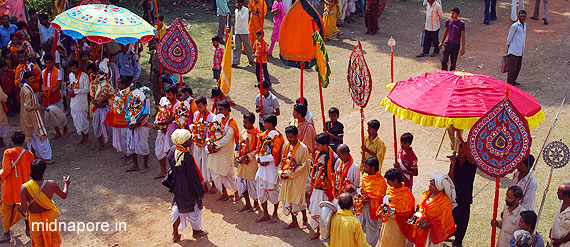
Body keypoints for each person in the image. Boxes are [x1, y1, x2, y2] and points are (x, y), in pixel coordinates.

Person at [168, 129, 208, 242]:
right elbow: (193, 177)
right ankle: (196, 231)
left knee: (178, 209)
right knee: (195, 210)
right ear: (184, 142)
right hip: (189, 189)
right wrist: (200, 192)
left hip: (178, 187)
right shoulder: (187, 157)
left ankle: (175, 233)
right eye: (190, 139)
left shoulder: (172, 150)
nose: (192, 140)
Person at [19, 159, 70, 247]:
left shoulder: (24, 188)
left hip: (35, 219)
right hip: (50, 217)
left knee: (38, 242)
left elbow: (23, 209)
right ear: (44, 171)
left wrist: (19, 206)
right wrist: (66, 184)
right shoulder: (51, 184)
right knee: (53, 240)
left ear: (31, 171)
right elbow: (64, 195)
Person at [406, 173, 457, 246]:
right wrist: (415, 215)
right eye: (430, 183)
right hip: (420, 230)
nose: (430, 186)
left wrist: (429, 225)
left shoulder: (444, 202)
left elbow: (444, 221)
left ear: (440, 187)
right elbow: (420, 207)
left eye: (433, 185)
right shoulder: (426, 194)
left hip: (433, 235)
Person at [0, 131, 33, 242]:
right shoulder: (29, 154)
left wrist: (0, 175)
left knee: (6, 210)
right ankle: (28, 229)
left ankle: (6, 233)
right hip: (24, 188)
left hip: (10, 188)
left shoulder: (8, 153)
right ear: (23, 141)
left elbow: (6, 170)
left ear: (12, 140)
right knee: (26, 209)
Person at [448, 130, 477, 247]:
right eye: (459, 153)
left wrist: (459, 136)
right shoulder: (455, 162)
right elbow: (450, 178)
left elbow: (470, 157)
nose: (460, 155)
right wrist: (453, 165)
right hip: (453, 196)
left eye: (462, 153)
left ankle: (458, 241)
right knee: (450, 219)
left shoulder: (472, 164)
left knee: (462, 223)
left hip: (464, 199)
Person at [278, 126, 310, 229]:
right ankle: (294, 220)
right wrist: (281, 172)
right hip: (287, 179)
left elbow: (303, 165)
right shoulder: (286, 146)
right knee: (289, 199)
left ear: (297, 136)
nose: (289, 139)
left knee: (299, 200)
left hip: (298, 179)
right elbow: (282, 161)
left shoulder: (303, 148)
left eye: (291, 137)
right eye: (287, 137)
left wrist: (289, 174)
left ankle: (305, 219)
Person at [207, 100, 239, 201]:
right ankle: (224, 192)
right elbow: (210, 133)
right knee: (217, 173)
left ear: (227, 110)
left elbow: (227, 139)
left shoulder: (231, 123)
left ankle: (237, 192)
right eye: (218, 110)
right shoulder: (216, 120)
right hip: (216, 152)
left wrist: (215, 145)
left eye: (221, 110)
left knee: (228, 173)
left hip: (225, 152)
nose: (219, 111)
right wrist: (210, 143)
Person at [254, 115, 284, 223]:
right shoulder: (262, 136)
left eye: (265, 123)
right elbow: (257, 151)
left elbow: (276, 154)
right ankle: (265, 214)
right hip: (261, 169)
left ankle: (275, 212)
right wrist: (259, 159)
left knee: (273, 192)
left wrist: (264, 160)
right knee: (261, 191)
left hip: (271, 168)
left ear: (270, 124)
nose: (263, 125)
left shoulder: (278, 137)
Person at [308, 133, 338, 240]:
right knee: (316, 209)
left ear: (325, 145)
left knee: (327, 213)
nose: (316, 147)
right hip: (317, 188)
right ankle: (318, 231)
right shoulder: (317, 154)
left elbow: (335, 176)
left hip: (327, 191)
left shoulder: (334, 158)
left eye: (318, 145)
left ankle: (328, 233)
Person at [20, 71, 53, 164]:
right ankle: (46, 158)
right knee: (41, 137)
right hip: (32, 118)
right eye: (31, 79)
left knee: (32, 138)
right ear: (26, 80)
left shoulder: (25, 88)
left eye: (33, 78)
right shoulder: (27, 90)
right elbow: (28, 106)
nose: (33, 80)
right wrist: (37, 106)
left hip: (27, 118)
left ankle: (34, 156)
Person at [378, 168, 415, 247]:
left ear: (395, 180)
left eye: (389, 181)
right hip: (387, 225)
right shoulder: (389, 189)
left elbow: (408, 213)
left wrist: (394, 214)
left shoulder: (406, 195)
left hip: (398, 227)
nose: (387, 183)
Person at [355, 157, 386, 246]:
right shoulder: (365, 176)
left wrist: (368, 199)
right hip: (362, 206)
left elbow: (380, 197)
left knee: (372, 229)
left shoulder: (381, 181)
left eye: (366, 167)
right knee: (358, 225)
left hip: (373, 209)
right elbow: (363, 190)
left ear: (372, 168)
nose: (364, 169)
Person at [236, 112, 261, 212]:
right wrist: (238, 156)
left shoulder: (258, 134)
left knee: (252, 184)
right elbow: (238, 145)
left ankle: (256, 203)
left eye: (246, 122)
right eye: (243, 122)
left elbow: (258, 149)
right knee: (243, 183)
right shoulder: (243, 132)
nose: (244, 124)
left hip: (251, 164)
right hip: (242, 163)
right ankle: (247, 203)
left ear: (252, 122)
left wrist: (248, 156)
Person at [154, 85, 180, 179]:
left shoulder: (178, 105)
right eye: (166, 94)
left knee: (171, 153)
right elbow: (159, 113)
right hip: (161, 130)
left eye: (169, 95)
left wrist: (158, 123)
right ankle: (163, 171)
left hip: (171, 132)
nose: (167, 96)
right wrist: (155, 122)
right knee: (159, 151)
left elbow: (171, 119)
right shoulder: (163, 100)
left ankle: (173, 173)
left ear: (175, 94)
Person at [124, 83, 151, 173]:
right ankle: (135, 165)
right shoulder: (130, 99)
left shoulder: (145, 100)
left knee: (143, 145)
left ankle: (145, 165)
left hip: (141, 126)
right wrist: (130, 122)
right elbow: (127, 111)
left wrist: (136, 123)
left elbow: (146, 114)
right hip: (131, 126)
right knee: (130, 144)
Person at [104, 77, 131, 165]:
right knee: (121, 138)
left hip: (124, 121)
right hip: (118, 120)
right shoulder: (120, 93)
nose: (117, 85)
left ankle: (129, 156)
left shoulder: (128, 95)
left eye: (119, 84)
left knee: (125, 139)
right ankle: (126, 153)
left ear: (124, 85)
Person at [40, 54, 68, 139]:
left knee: (60, 113)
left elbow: (58, 86)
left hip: (56, 96)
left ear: (52, 62)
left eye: (49, 62)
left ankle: (65, 129)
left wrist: (49, 93)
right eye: (46, 63)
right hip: (47, 98)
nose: (48, 64)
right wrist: (44, 92)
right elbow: (43, 84)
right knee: (51, 115)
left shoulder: (58, 72)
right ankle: (58, 132)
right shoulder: (43, 72)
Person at [89, 61, 114, 152]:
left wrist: (102, 101)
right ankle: (101, 144)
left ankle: (113, 143)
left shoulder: (107, 83)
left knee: (110, 126)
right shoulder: (92, 82)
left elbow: (111, 94)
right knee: (96, 126)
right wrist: (96, 103)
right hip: (96, 108)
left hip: (105, 107)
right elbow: (91, 95)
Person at [191, 96, 215, 190]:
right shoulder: (196, 114)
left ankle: (213, 184)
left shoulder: (212, 116)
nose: (199, 109)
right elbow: (193, 126)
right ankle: (203, 184)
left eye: (200, 106)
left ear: (206, 105)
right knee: (198, 163)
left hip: (206, 145)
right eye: (198, 107)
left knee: (208, 165)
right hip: (197, 144)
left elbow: (212, 131)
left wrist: (207, 141)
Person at [68, 60, 90, 146]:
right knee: (77, 122)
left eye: (74, 68)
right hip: (74, 103)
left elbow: (87, 89)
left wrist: (76, 91)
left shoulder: (84, 76)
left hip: (82, 103)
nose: (73, 70)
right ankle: (82, 138)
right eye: (71, 69)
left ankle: (86, 140)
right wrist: (70, 91)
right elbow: (71, 86)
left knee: (83, 122)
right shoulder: (71, 75)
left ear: (78, 67)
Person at [506, 10, 527, 86]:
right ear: (518, 17)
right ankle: (510, 83)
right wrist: (508, 46)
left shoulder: (525, 25)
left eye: (523, 16)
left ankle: (513, 81)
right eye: (521, 16)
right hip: (514, 50)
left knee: (517, 68)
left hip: (520, 50)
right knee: (512, 69)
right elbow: (509, 37)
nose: (522, 18)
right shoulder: (515, 26)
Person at [232, 0, 254, 67]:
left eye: (239, 3)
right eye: (237, 3)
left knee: (247, 46)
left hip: (244, 31)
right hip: (237, 31)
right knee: (237, 47)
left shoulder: (245, 10)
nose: (237, 4)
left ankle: (251, 60)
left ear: (242, 3)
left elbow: (242, 18)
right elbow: (237, 20)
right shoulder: (236, 10)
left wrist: (239, 10)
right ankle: (235, 62)